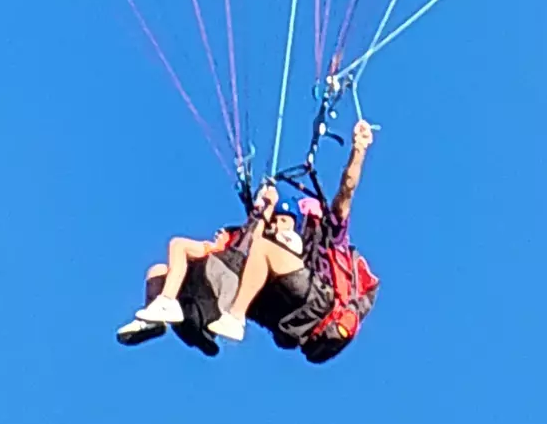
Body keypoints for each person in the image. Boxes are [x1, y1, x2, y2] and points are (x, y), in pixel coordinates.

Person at [115, 118, 374, 350]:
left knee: (261, 249)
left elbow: (346, 191)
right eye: (275, 220)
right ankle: (160, 313)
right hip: (280, 311)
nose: (277, 224)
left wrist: (358, 150)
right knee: (160, 271)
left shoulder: (325, 235)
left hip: (319, 299)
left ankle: (235, 318)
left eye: (283, 220)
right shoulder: (257, 241)